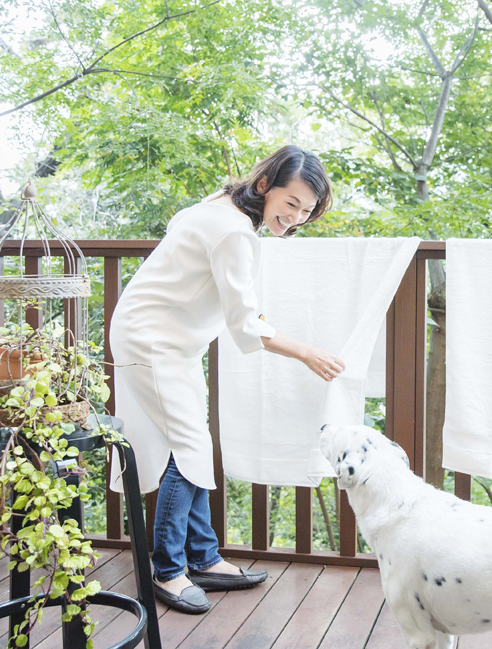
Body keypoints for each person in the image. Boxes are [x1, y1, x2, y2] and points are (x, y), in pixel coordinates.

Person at [108, 145, 346, 614]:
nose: (296, 218)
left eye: (306, 210)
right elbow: (244, 321)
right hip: (153, 340)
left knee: (191, 442)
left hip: (166, 338)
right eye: (290, 204)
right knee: (189, 447)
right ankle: (169, 570)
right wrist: (306, 352)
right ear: (265, 187)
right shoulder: (234, 232)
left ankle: (203, 557)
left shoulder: (221, 204)